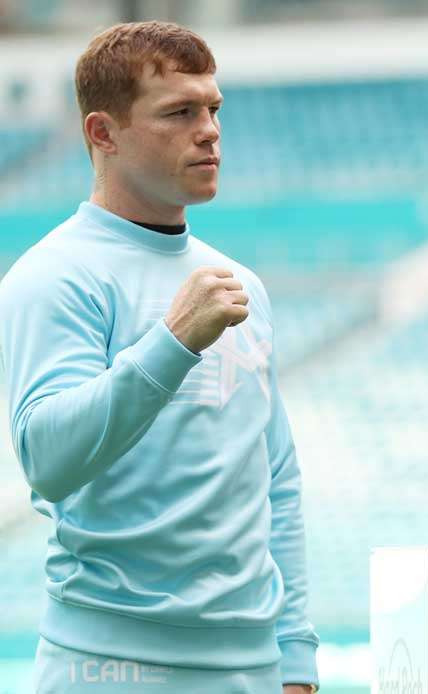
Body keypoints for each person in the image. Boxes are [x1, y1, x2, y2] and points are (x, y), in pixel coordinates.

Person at [0, 21, 319, 693]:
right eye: (179, 112)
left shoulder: (240, 287)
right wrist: (171, 344)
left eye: (213, 109)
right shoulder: (55, 277)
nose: (209, 130)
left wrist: (293, 654)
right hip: (111, 670)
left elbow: (277, 482)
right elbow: (49, 462)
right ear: (102, 133)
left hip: (252, 669)